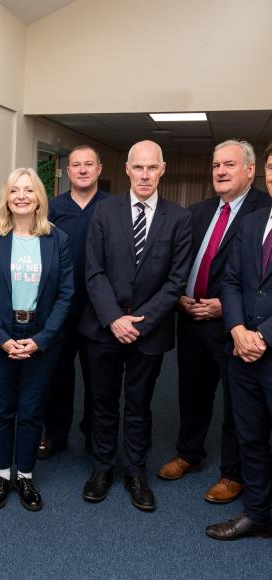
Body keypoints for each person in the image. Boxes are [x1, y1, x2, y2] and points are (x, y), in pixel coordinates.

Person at [80, 140, 191, 512]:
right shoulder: (104, 212)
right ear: (127, 169)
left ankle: (136, 474)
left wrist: (139, 323)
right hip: (104, 328)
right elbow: (92, 271)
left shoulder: (178, 218)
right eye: (138, 167)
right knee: (103, 402)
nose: (144, 175)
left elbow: (176, 281)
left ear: (162, 170)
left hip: (149, 332)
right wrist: (114, 318)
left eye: (151, 168)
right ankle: (102, 469)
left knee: (140, 406)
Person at [157, 140, 270, 504]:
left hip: (235, 324)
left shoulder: (263, 211)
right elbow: (180, 260)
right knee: (192, 392)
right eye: (216, 165)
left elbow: (252, 277)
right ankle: (188, 453)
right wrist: (177, 297)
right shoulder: (198, 211)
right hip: (191, 318)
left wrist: (226, 308)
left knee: (237, 403)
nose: (220, 171)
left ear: (250, 171)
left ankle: (232, 474)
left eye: (230, 165)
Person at [0, 168, 74, 511]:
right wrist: (1, 338)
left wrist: (42, 339)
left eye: (28, 190)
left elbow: (65, 294)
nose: (21, 196)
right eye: (15, 190)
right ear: (7, 196)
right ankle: (2, 476)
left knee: (31, 411)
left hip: (40, 338)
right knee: (1, 410)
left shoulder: (57, 239)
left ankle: (26, 477)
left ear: (39, 198)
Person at [206, 143, 272, 540]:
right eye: (270, 166)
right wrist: (236, 330)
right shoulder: (253, 221)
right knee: (250, 436)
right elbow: (230, 281)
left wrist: (262, 335)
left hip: (264, 344)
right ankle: (258, 514)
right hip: (242, 352)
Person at [38, 145, 109, 460]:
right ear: (68, 172)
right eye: (76, 165)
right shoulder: (52, 209)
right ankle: (55, 434)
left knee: (98, 379)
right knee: (57, 376)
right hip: (61, 309)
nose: (82, 170)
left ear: (99, 169)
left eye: (88, 164)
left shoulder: (112, 207)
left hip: (99, 310)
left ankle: (95, 435)